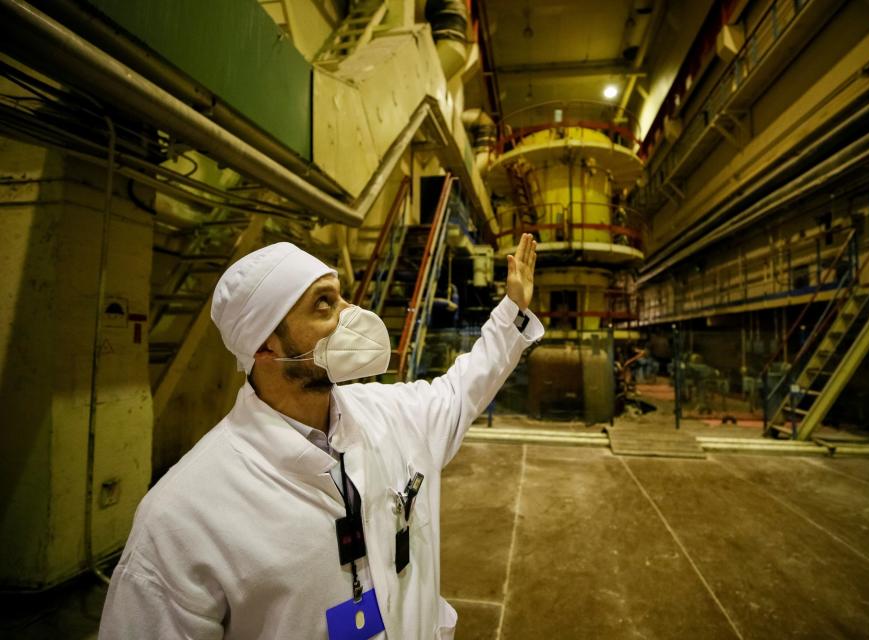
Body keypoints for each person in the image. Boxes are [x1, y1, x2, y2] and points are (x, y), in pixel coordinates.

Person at [99, 234, 542, 639]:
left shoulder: (390, 415)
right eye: (324, 304)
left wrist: (511, 313)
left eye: (341, 296)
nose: (353, 315)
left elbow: (462, 388)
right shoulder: (181, 518)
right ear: (265, 345)